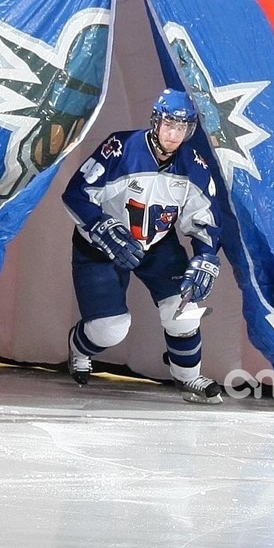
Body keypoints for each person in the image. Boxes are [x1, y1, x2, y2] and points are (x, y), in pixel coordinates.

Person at [62, 89, 223, 404]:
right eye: (169, 125)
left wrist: (206, 255)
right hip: (100, 246)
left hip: (158, 245)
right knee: (110, 330)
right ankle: (79, 347)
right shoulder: (120, 148)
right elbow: (76, 194)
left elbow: (204, 220)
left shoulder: (194, 165)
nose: (174, 134)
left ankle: (188, 378)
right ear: (156, 121)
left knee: (184, 313)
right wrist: (101, 226)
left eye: (182, 128)